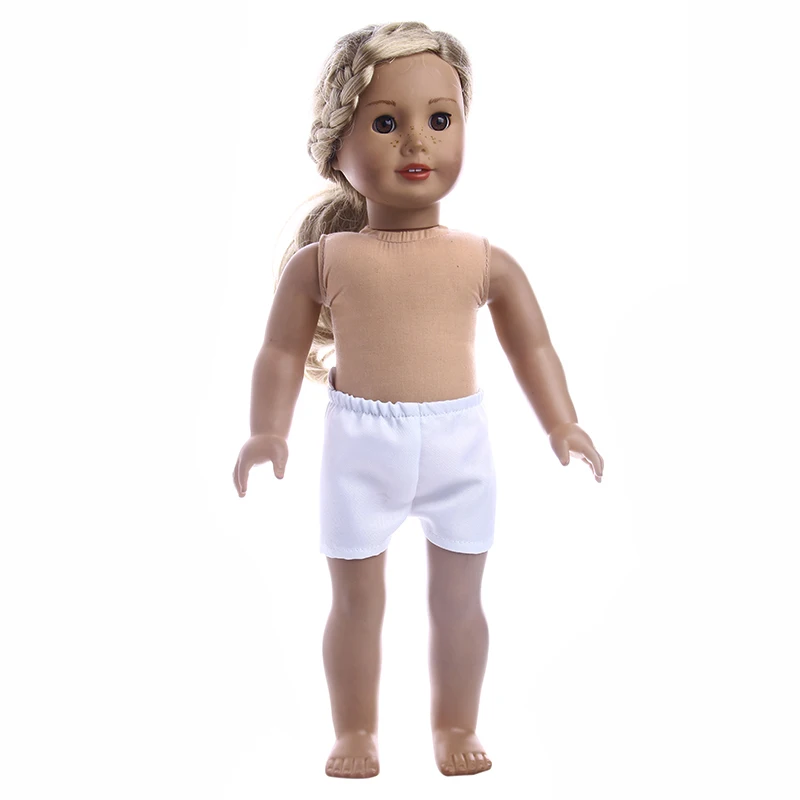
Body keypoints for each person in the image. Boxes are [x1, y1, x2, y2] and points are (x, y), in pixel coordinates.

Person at [232, 21, 604, 779]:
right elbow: (279, 352)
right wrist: (267, 431)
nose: (416, 143)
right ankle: (355, 730)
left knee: (460, 602)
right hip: (359, 449)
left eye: (440, 119)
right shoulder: (322, 262)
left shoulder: (484, 260)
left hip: (459, 448)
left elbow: (532, 348)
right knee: (355, 602)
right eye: (385, 123)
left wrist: (562, 422)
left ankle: (456, 722)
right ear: (338, 146)